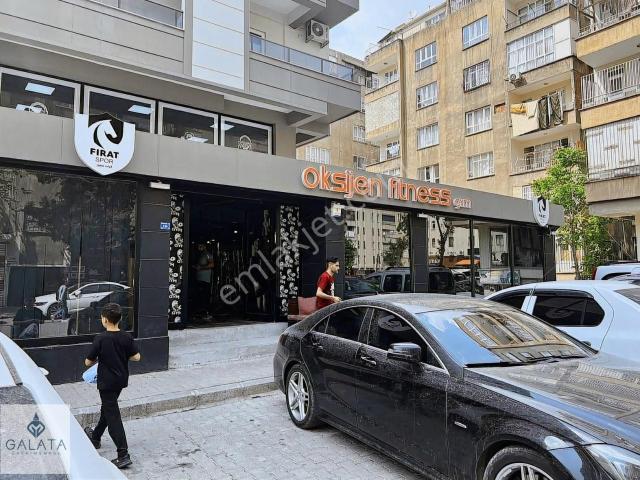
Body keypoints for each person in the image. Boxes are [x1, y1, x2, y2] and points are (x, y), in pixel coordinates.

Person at [83, 303, 141, 469]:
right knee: (108, 409)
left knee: (113, 415)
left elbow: (88, 362)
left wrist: (103, 356)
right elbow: (137, 357)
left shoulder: (101, 338)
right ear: (120, 319)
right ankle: (95, 437)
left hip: (106, 382)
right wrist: (121, 355)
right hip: (120, 381)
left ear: (105, 320)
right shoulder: (126, 337)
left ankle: (123, 454)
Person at [194, 243, 215, 313]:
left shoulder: (207, 254)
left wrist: (201, 267)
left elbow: (212, 264)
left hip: (205, 280)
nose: (198, 247)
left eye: (200, 246)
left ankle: (205, 311)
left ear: (204, 246)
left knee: (204, 296)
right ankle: (200, 311)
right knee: (199, 296)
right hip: (199, 279)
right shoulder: (200, 255)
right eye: (198, 246)